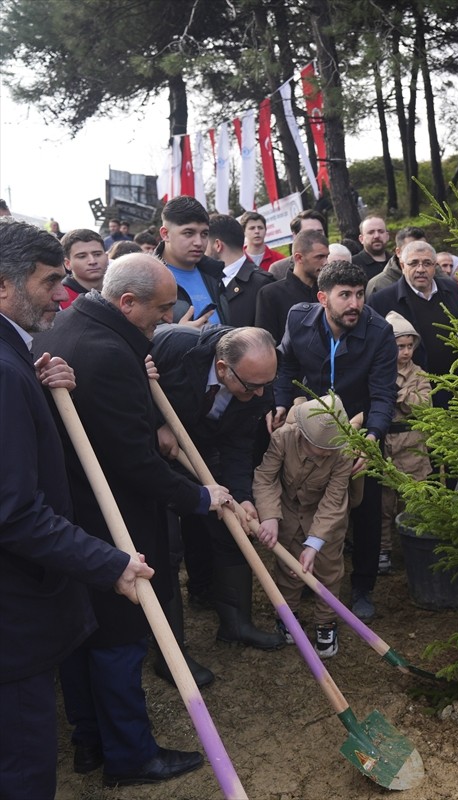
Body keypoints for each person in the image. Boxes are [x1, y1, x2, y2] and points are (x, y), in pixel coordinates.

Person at [34, 253, 234, 788]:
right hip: (112, 518)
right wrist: (198, 497)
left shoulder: (78, 323)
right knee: (119, 639)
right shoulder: (105, 351)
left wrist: (136, 353)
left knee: (83, 634)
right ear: (127, 302)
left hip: (73, 516)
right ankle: (130, 754)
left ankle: (89, 742)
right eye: (161, 310)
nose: (167, 320)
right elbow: (136, 462)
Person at [0, 219, 154, 799]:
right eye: (47, 282)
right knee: (21, 763)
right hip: (13, 615)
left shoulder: (16, 359)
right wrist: (108, 562)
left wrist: (33, 383)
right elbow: (12, 511)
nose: (61, 296)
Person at [272, 261, 397, 621]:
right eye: (345, 295)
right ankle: (306, 576)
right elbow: (287, 365)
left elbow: (384, 393)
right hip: (310, 429)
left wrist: (372, 437)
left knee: (366, 506)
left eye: (359, 295)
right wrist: (281, 402)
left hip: (359, 427)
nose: (354, 303)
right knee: (307, 504)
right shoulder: (298, 318)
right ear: (323, 298)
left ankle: (362, 587)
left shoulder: (379, 332)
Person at [151, 324, 285, 656]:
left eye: (266, 385)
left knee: (229, 524)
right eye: (252, 385)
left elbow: (239, 446)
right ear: (223, 368)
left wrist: (242, 496)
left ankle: (235, 624)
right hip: (150, 456)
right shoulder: (173, 346)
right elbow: (127, 385)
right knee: (165, 544)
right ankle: (171, 652)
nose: (260, 394)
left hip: (203, 449)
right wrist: (155, 424)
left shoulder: (258, 389)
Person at [254, 395, 355, 659]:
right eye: (317, 448)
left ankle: (326, 623)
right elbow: (265, 478)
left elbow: (334, 500)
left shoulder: (343, 454)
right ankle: (288, 616)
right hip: (287, 512)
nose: (323, 454)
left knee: (328, 571)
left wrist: (314, 543)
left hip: (325, 519)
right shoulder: (283, 438)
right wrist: (269, 516)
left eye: (328, 449)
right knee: (289, 570)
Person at [366, 239, 458, 410]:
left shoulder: (451, 290)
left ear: (435, 266)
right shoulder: (382, 300)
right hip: (411, 393)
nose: (420, 269)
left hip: (457, 387)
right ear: (403, 265)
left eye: (427, 263)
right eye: (414, 263)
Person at [378, 312, 433, 574]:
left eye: (410, 346)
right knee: (384, 504)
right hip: (386, 444)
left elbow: (425, 405)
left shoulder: (419, 375)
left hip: (412, 445)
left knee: (414, 500)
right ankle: (384, 549)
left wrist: (401, 394)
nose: (406, 352)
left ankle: (414, 546)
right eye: (401, 346)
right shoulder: (379, 372)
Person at [156, 196, 228, 327]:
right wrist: (178, 334)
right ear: (165, 234)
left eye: (204, 234)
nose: (199, 243)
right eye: (189, 233)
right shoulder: (147, 278)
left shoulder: (214, 273)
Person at [254, 229, 327, 343]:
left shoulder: (327, 289)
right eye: (319, 257)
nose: (325, 262)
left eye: (327, 256)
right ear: (299, 258)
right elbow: (266, 344)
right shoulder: (271, 294)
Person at [207, 213, 275, 328]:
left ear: (218, 245)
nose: (200, 246)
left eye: (205, 240)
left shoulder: (262, 285)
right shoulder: (208, 279)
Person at [268, 210, 328, 281]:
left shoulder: (336, 260)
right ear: (295, 236)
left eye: (319, 232)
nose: (316, 237)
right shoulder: (279, 269)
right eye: (309, 233)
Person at [366, 226, 428, 296]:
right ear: (398, 252)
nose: (418, 255)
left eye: (423, 249)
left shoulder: (436, 278)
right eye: (410, 249)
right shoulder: (378, 285)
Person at [60, 228, 109, 308]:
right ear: (67, 264)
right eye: (82, 256)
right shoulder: (59, 299)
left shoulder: (122, 292)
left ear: (107, 257)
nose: (92, 261)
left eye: (97, 254)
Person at [352, 215, 391, 282]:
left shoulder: (397, 262)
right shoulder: (353, 265)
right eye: (371, 232)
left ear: (387, 236)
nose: (377, 236)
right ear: (361, 239)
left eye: (381, 231)